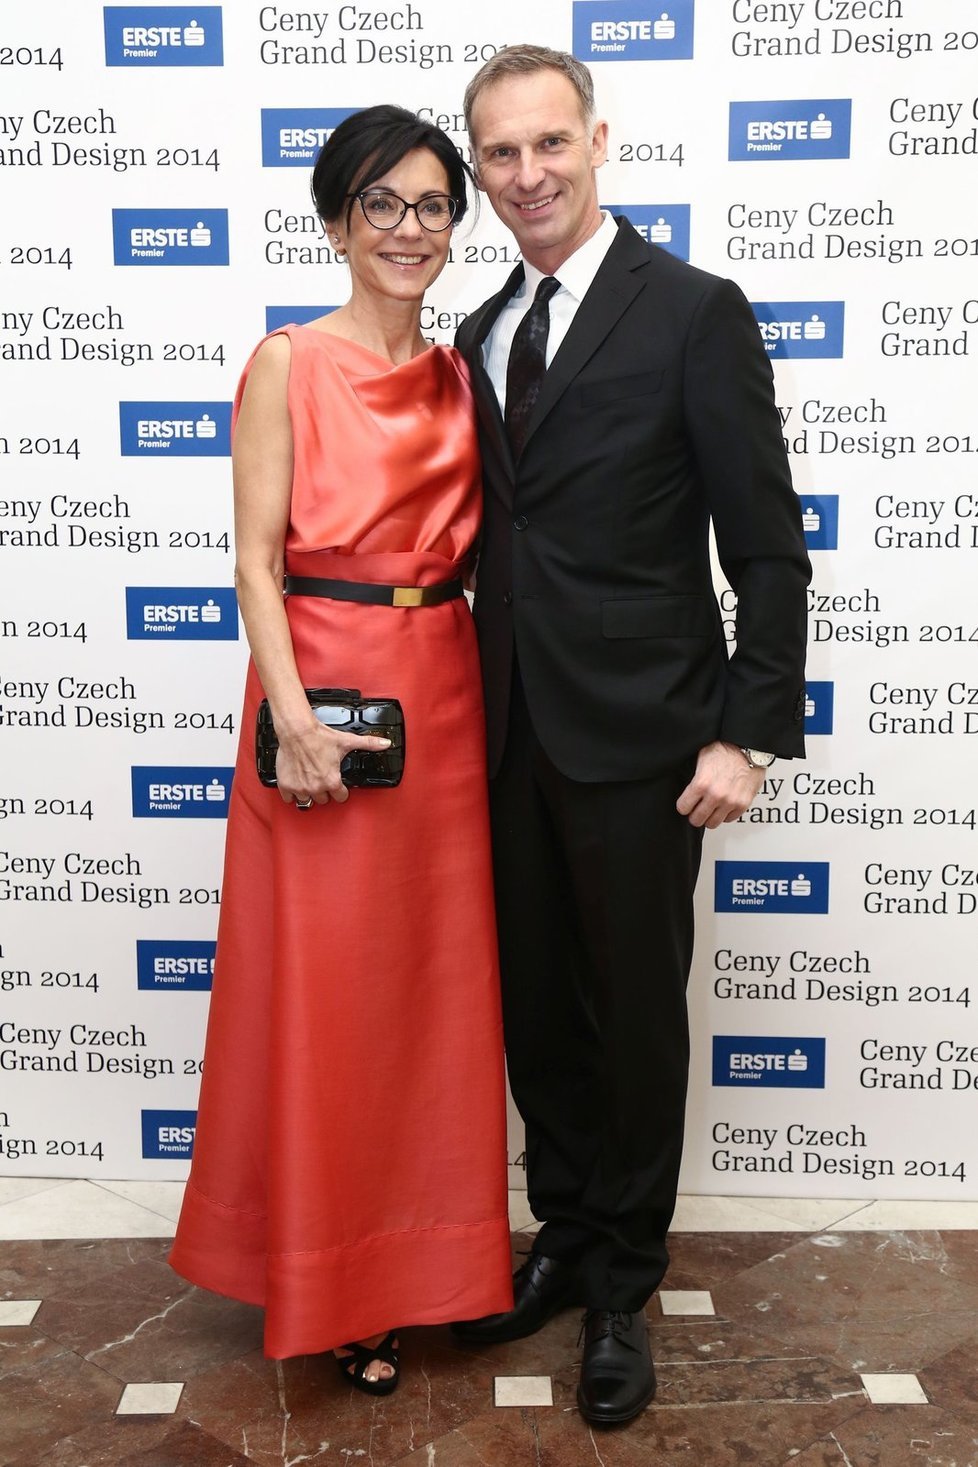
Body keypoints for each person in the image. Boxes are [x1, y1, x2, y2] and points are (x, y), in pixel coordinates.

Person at [450, 47, 811, 1426]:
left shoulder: (694, 311)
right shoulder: (481, 330)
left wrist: (745, 737)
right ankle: (561, 1233)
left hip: (649, 738)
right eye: (500, 153)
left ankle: (622, 1286)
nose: (527, 173)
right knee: (538, 1007)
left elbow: (766, 548)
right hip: (505, 732)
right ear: (480, 169)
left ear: (597, 141)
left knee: (633, 1019)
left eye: (549, 143)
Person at [169, 105, 513, 1393]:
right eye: (382, 205)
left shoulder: (465, 373)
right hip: (322, 704)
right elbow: (255, 562)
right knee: (328, 1002)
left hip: (445, 695)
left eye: (432, 206)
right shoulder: (288, 363)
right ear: (335, 222)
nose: (408, 229)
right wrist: (294, 718)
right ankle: (332, 1286)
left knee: (428, 1002)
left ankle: (428, 1270)